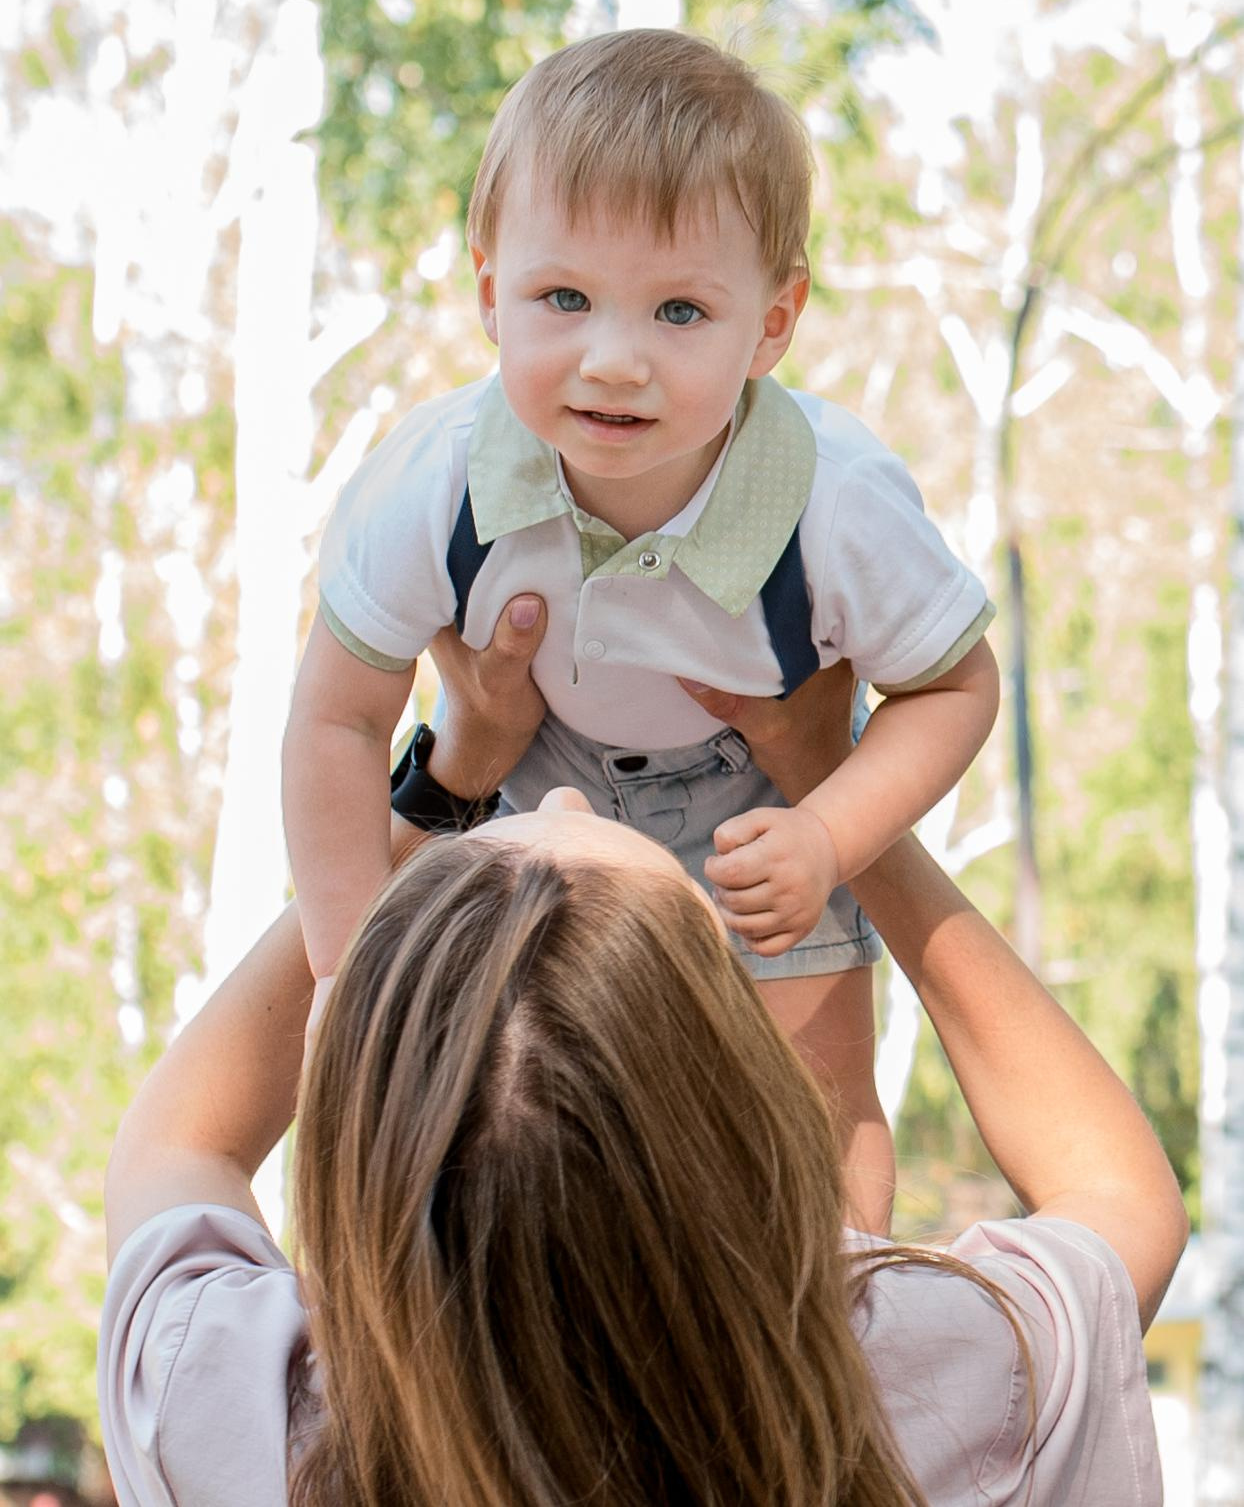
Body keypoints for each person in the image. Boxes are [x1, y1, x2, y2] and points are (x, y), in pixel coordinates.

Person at [100, 615, 1185, 1507]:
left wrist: (449, 781)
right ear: (739, 1091)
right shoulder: (928, 1378)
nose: (562, 794)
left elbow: (179, 1138)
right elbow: (1112, 1190)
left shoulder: (239, 1415)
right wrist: (833, 800)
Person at [282, 27, 1000, 1232]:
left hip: (757, 791)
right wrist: (346, 959)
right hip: (539, 779)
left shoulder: (829, 498)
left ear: (770, 326)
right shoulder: (439, 480)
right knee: (502, 1096)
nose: (612, 361)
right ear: (487, 298)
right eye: (561, 298)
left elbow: (955, 688)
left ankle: (836, 1329)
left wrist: (827, 837)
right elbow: (336, 721)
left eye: (678, 310)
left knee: (813, 1099)